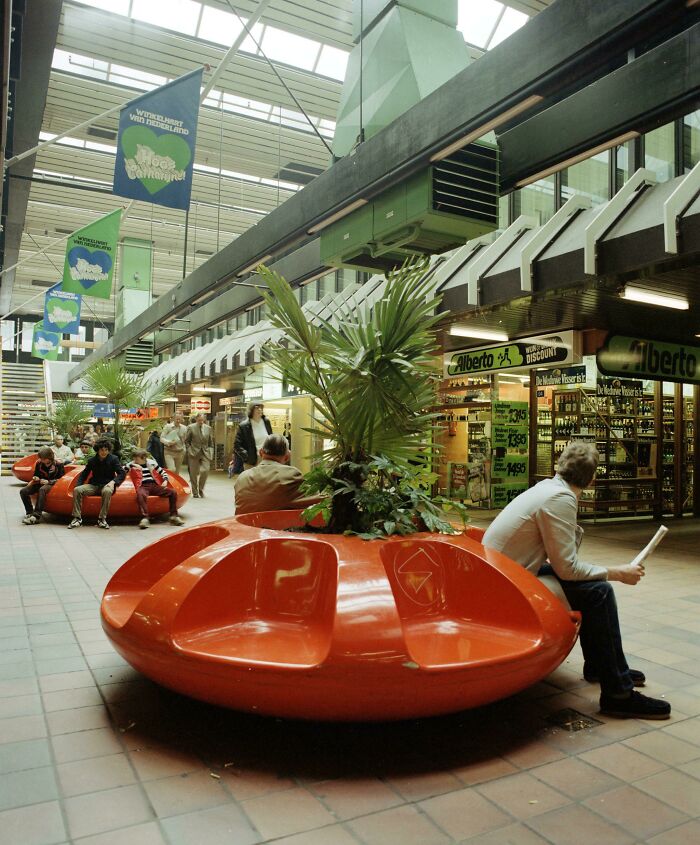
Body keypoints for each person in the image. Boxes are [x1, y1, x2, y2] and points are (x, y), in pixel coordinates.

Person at [482, 441, 671, 720]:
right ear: (592, 479)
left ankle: (601, 665)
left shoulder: (548, 488)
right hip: (506, 584)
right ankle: (618, 693)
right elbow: (568, 569)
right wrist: (618, 572)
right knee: (600, 592)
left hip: (500, 574)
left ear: (560, 465)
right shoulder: (560, 499)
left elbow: (561, 563)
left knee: (593, 589)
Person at [234, 434, 322, 515]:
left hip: (242, 527)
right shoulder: (290, 475)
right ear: (287, 456)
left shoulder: (242, 477)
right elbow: (317, 498)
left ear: (261, 452)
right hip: (271, 530)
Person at [69, 439, 125, 530]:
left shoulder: (114, 459)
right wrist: (78, 485)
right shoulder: (92, 460)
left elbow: (122, 473)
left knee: (107, 491)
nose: (104, 452)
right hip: (94, 485)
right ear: (97, 450)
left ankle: (102, 519)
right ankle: (77, 518)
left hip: (107, 485)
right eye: (102, 450)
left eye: (106, 450)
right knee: (77, 490)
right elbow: (84, 474)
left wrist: (113, 482)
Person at [127, 448, 184, 529]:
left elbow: (162, 472)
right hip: (142, 486)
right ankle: (145, 518)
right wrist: (131, 466)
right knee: (140, 494)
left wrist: (165, 480)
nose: (134, 460)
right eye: (134, 458)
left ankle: (173, 516)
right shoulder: (132, 464)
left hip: (154, 485)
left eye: (137, 458)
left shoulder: (152, 463)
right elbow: (122, 470)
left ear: (143, 458)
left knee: (172, 492)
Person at [20, 446, 65, 525]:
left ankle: (36, 516)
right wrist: (35, 477)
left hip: (53, 484)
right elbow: (36, 474)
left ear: (49, 457)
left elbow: (61, 479)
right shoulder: (39, 463)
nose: (42, 460)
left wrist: (48, 481)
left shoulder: (59, 464)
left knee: (42, 489)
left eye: (44, 458)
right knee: (23, 491)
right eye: (41, 458)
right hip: (40, 483)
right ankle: (29, 512)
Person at [233, 403, 272, 470]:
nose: (260, 410)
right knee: (252, 480)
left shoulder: (266, 422)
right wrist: (247, 457)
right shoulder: (244, 426)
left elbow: (271, 438)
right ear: (251, 410)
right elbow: (237, 445)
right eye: (257, 408)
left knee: (266, 479)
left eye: (261, 408)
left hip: (267, 458)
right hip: (252, 460)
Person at [184, 413, 214, 498]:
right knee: (193, 473)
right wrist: (189, 450)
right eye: (199, 420)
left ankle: (201, 489)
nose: (201, 422)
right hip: (194, 452)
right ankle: (195, 492)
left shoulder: (208, 428)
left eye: (202, 420)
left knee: (205, 470)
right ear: (196, 419)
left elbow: (211, 442)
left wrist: (211, 451)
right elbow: (187, 441)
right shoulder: (191, 427)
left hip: (205, 452)